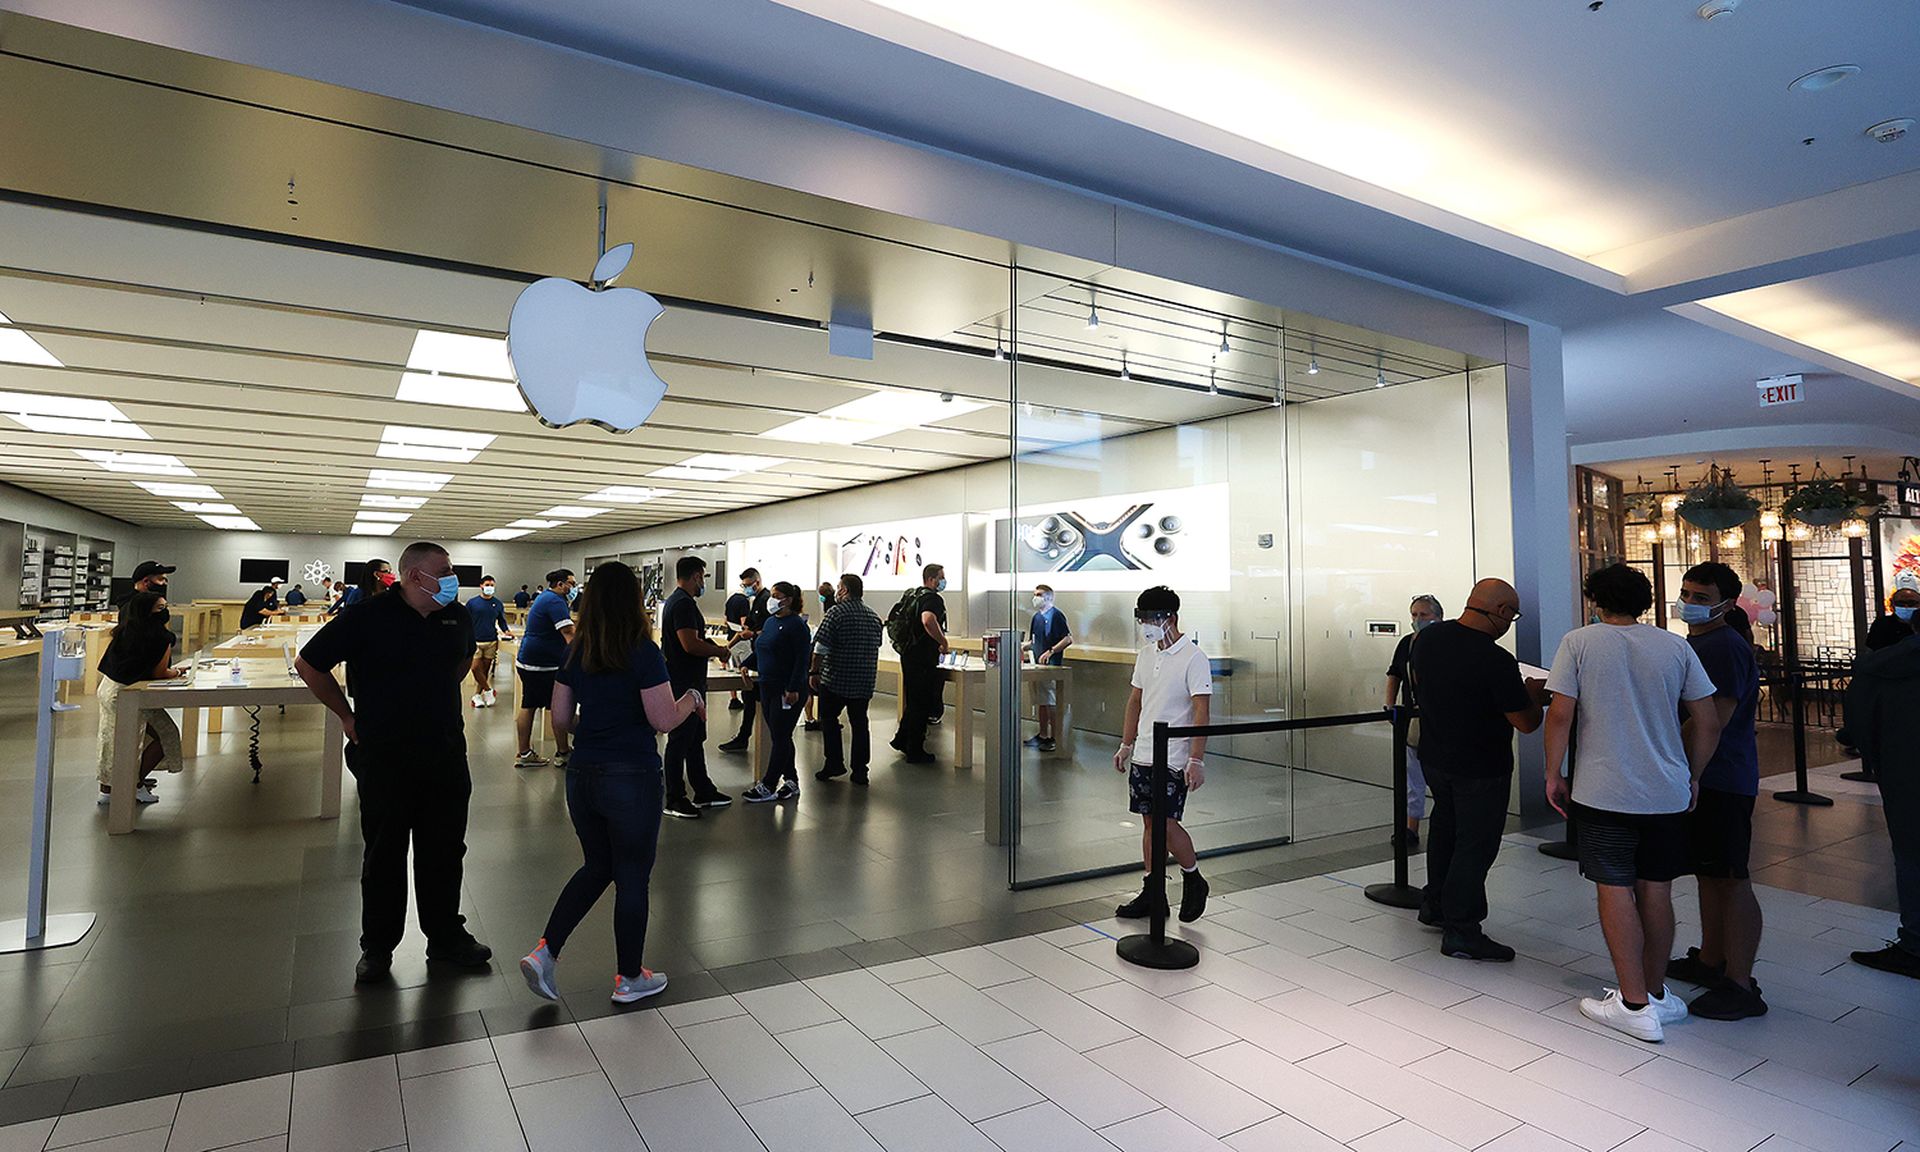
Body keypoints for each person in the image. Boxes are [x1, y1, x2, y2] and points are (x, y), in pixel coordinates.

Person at [295, 541, 491, 983]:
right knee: (384, 852)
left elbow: (462, 661)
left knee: (445, 848)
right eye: (444, 570)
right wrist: (347, 716)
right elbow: (310, 664)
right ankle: (378, 946)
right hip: (384, 754)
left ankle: (444, 935)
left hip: (443, 751)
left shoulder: (455, 615)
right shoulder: (367, 616)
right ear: (414, 576)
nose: (451, 577)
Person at [1544, 564, 1721, 1042]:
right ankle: (1656, 993)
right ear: (1644, 601)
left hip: (1604, 789)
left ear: (1595, 599)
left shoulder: (1579, 642)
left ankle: (1633, 1003)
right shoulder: (1675, 645)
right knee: (1657, 890)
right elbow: (1707, 720)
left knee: (1614, 888)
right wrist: (1694, 775)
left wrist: (1552, 772)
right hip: (1666, 790)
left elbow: (1560, 714)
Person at [518, 562, 705, 1006]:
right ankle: (628, 977)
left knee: (597, 865)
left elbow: (561, 719)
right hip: (632, 776)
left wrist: (597, 724)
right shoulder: (642, 651)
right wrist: (691, 700)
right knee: (633, 876)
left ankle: (545, 953)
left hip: (583, 776)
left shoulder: (577, 651)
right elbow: (662, 719)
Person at [1407, 580, 1546, 962]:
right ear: (1501, 611)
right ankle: (1463, 930)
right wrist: (1533, 695)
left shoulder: (1427, 641)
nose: (1510, 623)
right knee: (1475, 845)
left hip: (1435, 757)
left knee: (1445, 833)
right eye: (1512, 615)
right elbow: (1525, 722)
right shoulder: (1495, 659)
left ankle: (1435, 905)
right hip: (1481, 766)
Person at [1666, 562, 1767, 1020]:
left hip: (1722, 777)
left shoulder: (1723, 646)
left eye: (1701, 597)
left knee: (1731, 876)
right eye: (1687, 592)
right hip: (1710, 776)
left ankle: (1740, 982)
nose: (1689, 602)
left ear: (1727, 604)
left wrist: (1686, 770)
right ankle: (1711, 958)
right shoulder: (1700, 642)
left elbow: (1713, 720)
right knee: (1709, 872)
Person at [1112, 585, 1213, 923]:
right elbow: (1135, 701)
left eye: (1153, 618)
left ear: (1172, 617)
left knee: (1167, 824)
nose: (1147, 625)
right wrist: (1126, 744)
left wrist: (1196, 759)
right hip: (1144, 751)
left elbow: (1201, 711)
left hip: (1173, 756)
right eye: (1142, 619)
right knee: (1148, 823)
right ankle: (1153, 891)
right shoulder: (1146, 654)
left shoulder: (1194, 658)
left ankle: (1193, 877)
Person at [1844, 621, 1920, 979]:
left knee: (1910, 856)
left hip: (1902, 774)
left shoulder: (1876, 670)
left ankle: (1915, 943)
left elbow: (1858, 727)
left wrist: (1880, 760)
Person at [660, 556, 735, 819]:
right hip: (684, 683)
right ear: (694, 576)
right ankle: (675, 796)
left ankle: (702, 788)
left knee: (694, 738)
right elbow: (689, 645)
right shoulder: (682, 605)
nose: (703, 582)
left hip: (691, 680)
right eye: (702, 576)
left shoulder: (680, 603)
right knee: (681, 739)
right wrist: (718, 651)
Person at [95, 590, 184, 806]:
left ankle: (107, 789)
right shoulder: (162, 637)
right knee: (166, 734)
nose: (165, 612)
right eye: (160, 608)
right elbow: (160, 673)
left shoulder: (124, 630)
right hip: (130, 695)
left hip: (108, 689)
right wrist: (179, 672)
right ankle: (132, 785)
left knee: (111, 739)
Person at [1382, 593, 1445, 851]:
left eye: (1423, 615)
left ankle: (1444, 823)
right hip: (1414, 719)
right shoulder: (1407, 644)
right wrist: (1390, 705)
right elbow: (1394, 674)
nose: (1418, 620)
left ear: (1438, 617)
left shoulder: (1447, 643)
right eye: (1414, 615)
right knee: (1413, 777)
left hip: (1442, 720)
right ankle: (1411, 826)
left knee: (1442, 775)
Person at [741, 581, 810, 803]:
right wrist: (746, 663)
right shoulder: (770, 622)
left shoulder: (797, 626)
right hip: (767, 686)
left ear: (788, 600)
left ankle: (769, 784)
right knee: (780, 735)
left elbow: (802, 659)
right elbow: (763, 647)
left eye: (776, 595)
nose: (771, 599)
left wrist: (793, 687)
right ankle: (791, 780)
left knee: (780, 735)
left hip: (787, 690)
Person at [812, 573, 884, 787]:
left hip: (836, 678)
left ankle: (834, 763)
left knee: (829, 719)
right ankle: (860, 771)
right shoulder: (872, 616)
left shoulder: (836, 613)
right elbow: (877, 645)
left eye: (838, 587)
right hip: (863, 680)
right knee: (860, 724)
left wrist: (814, 671)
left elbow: (821, 647)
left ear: (844, 590)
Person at [515, 569, 577, 769]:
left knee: (529, 704)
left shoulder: (546, 598)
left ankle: (524, 751)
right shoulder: (555, 602)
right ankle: (563, 752)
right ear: (560, 584)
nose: (573, 588)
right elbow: (569, 634)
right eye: (571, 583)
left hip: (529, 660)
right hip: (543, 665)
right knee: (559, 707)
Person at [888, 564, 949, 764]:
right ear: (932, 579)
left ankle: (901, 740)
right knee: (921, 703)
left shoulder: (913, 595)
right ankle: (915, 749)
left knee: (914, 700)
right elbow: (928, 620)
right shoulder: (932, 599)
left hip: (908, 654)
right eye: (941, 577)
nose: (943, 580)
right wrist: (943, 641)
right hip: (923, 657)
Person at [718, 568, 772, 753]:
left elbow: (765, 630)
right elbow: (744, 629)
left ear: (757, 582)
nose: (746, 588)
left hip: (764, 656)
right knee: (749, 695)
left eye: (749, 585)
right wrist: (725, 648)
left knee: (755, 698)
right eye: (744, 585)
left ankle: (757, 739)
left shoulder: (766, 600)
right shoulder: (755, 600)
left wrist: (753, 633)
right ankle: (743, 736)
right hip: (756, 652)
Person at [1024, 584, 1073, 753]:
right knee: (1041, 702)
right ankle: (1043, 735)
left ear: (1049, 597)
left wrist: (1051, 651)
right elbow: (1034, 640)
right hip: (1037, 666)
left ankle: (1055, 737)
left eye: (1039, 594)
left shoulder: (1056, 616)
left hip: (1051, 667)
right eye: (1035, 594)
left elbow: (1067, 639)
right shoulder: (1036, 617)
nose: (1036, 597)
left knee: (1051, 701)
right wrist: (1022, 646)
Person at [466, 576, 513, 708]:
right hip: (475, 641)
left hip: (491, 641)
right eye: (487, 584)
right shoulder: (472, 603)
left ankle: (476, 696)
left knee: (485, 670)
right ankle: (488, 690)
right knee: (475, 668)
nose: (490, 587)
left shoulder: (497, 603)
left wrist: (506, 631)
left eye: (492, 585)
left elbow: (502, 620)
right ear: (481, 586)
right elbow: (466, 620)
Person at [1867, 573, 1920, 652]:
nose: (1906, 606)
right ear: (1892, 605)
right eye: (1900, 603)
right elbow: (1874, 650)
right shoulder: (1882, 624)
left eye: (1911, 603)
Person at [723, 576, 753, 711]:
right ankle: (748, 697)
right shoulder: (744, 602)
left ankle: (734, 699)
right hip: (742, 640)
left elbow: (725, 620)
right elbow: (744, 623)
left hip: (731, 638)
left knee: (733, 672)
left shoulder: (730, 600)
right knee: (746, 670)